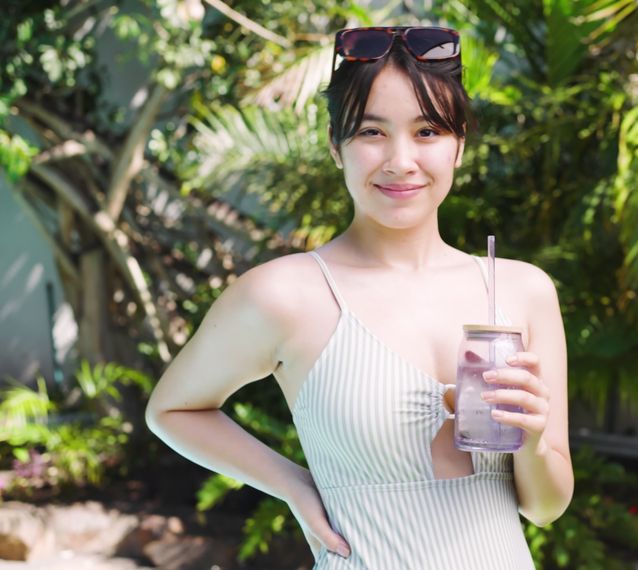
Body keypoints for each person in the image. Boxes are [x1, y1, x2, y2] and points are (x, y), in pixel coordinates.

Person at [145, 25, 572, 569]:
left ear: (458, 145)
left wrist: (532, 439)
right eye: (372, 132)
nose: (400, 160)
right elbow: (173, 409)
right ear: (335, 145)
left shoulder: (521, 290)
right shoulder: (287, 294)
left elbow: (546, 508)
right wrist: (295, 485)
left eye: (428, 132)